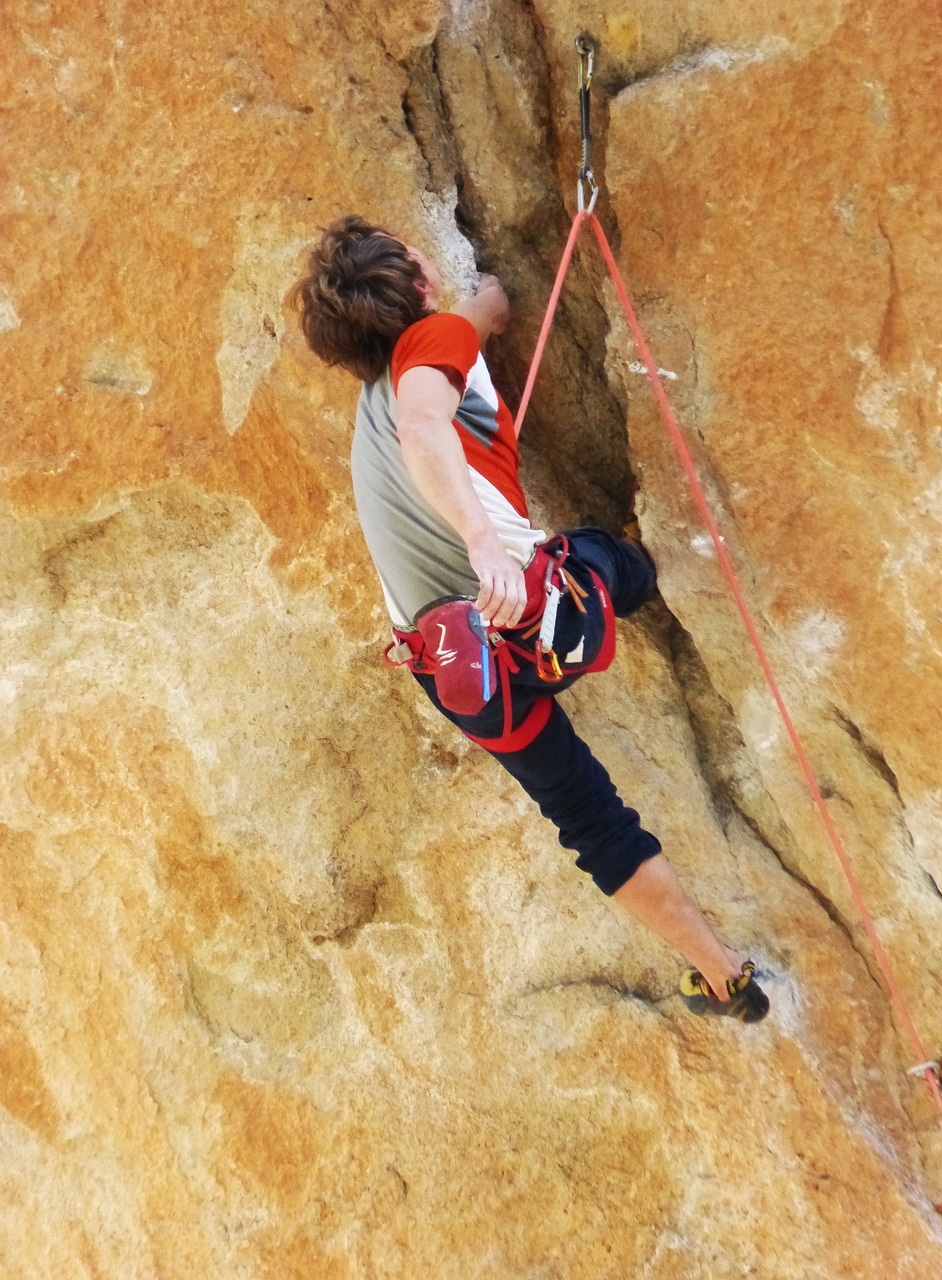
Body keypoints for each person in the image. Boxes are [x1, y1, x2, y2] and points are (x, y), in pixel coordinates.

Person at [294, 215, 768, 1021]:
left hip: (460, 675)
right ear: (413, 283)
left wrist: (483, 309)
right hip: (530, 612)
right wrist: (483, 540)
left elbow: (472, 333)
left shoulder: (378, 409)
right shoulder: (426, 351)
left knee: (586, 817)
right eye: (412, 256)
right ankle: (669, 572)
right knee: (607, 559)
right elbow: (436, 400)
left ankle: (723, 975)